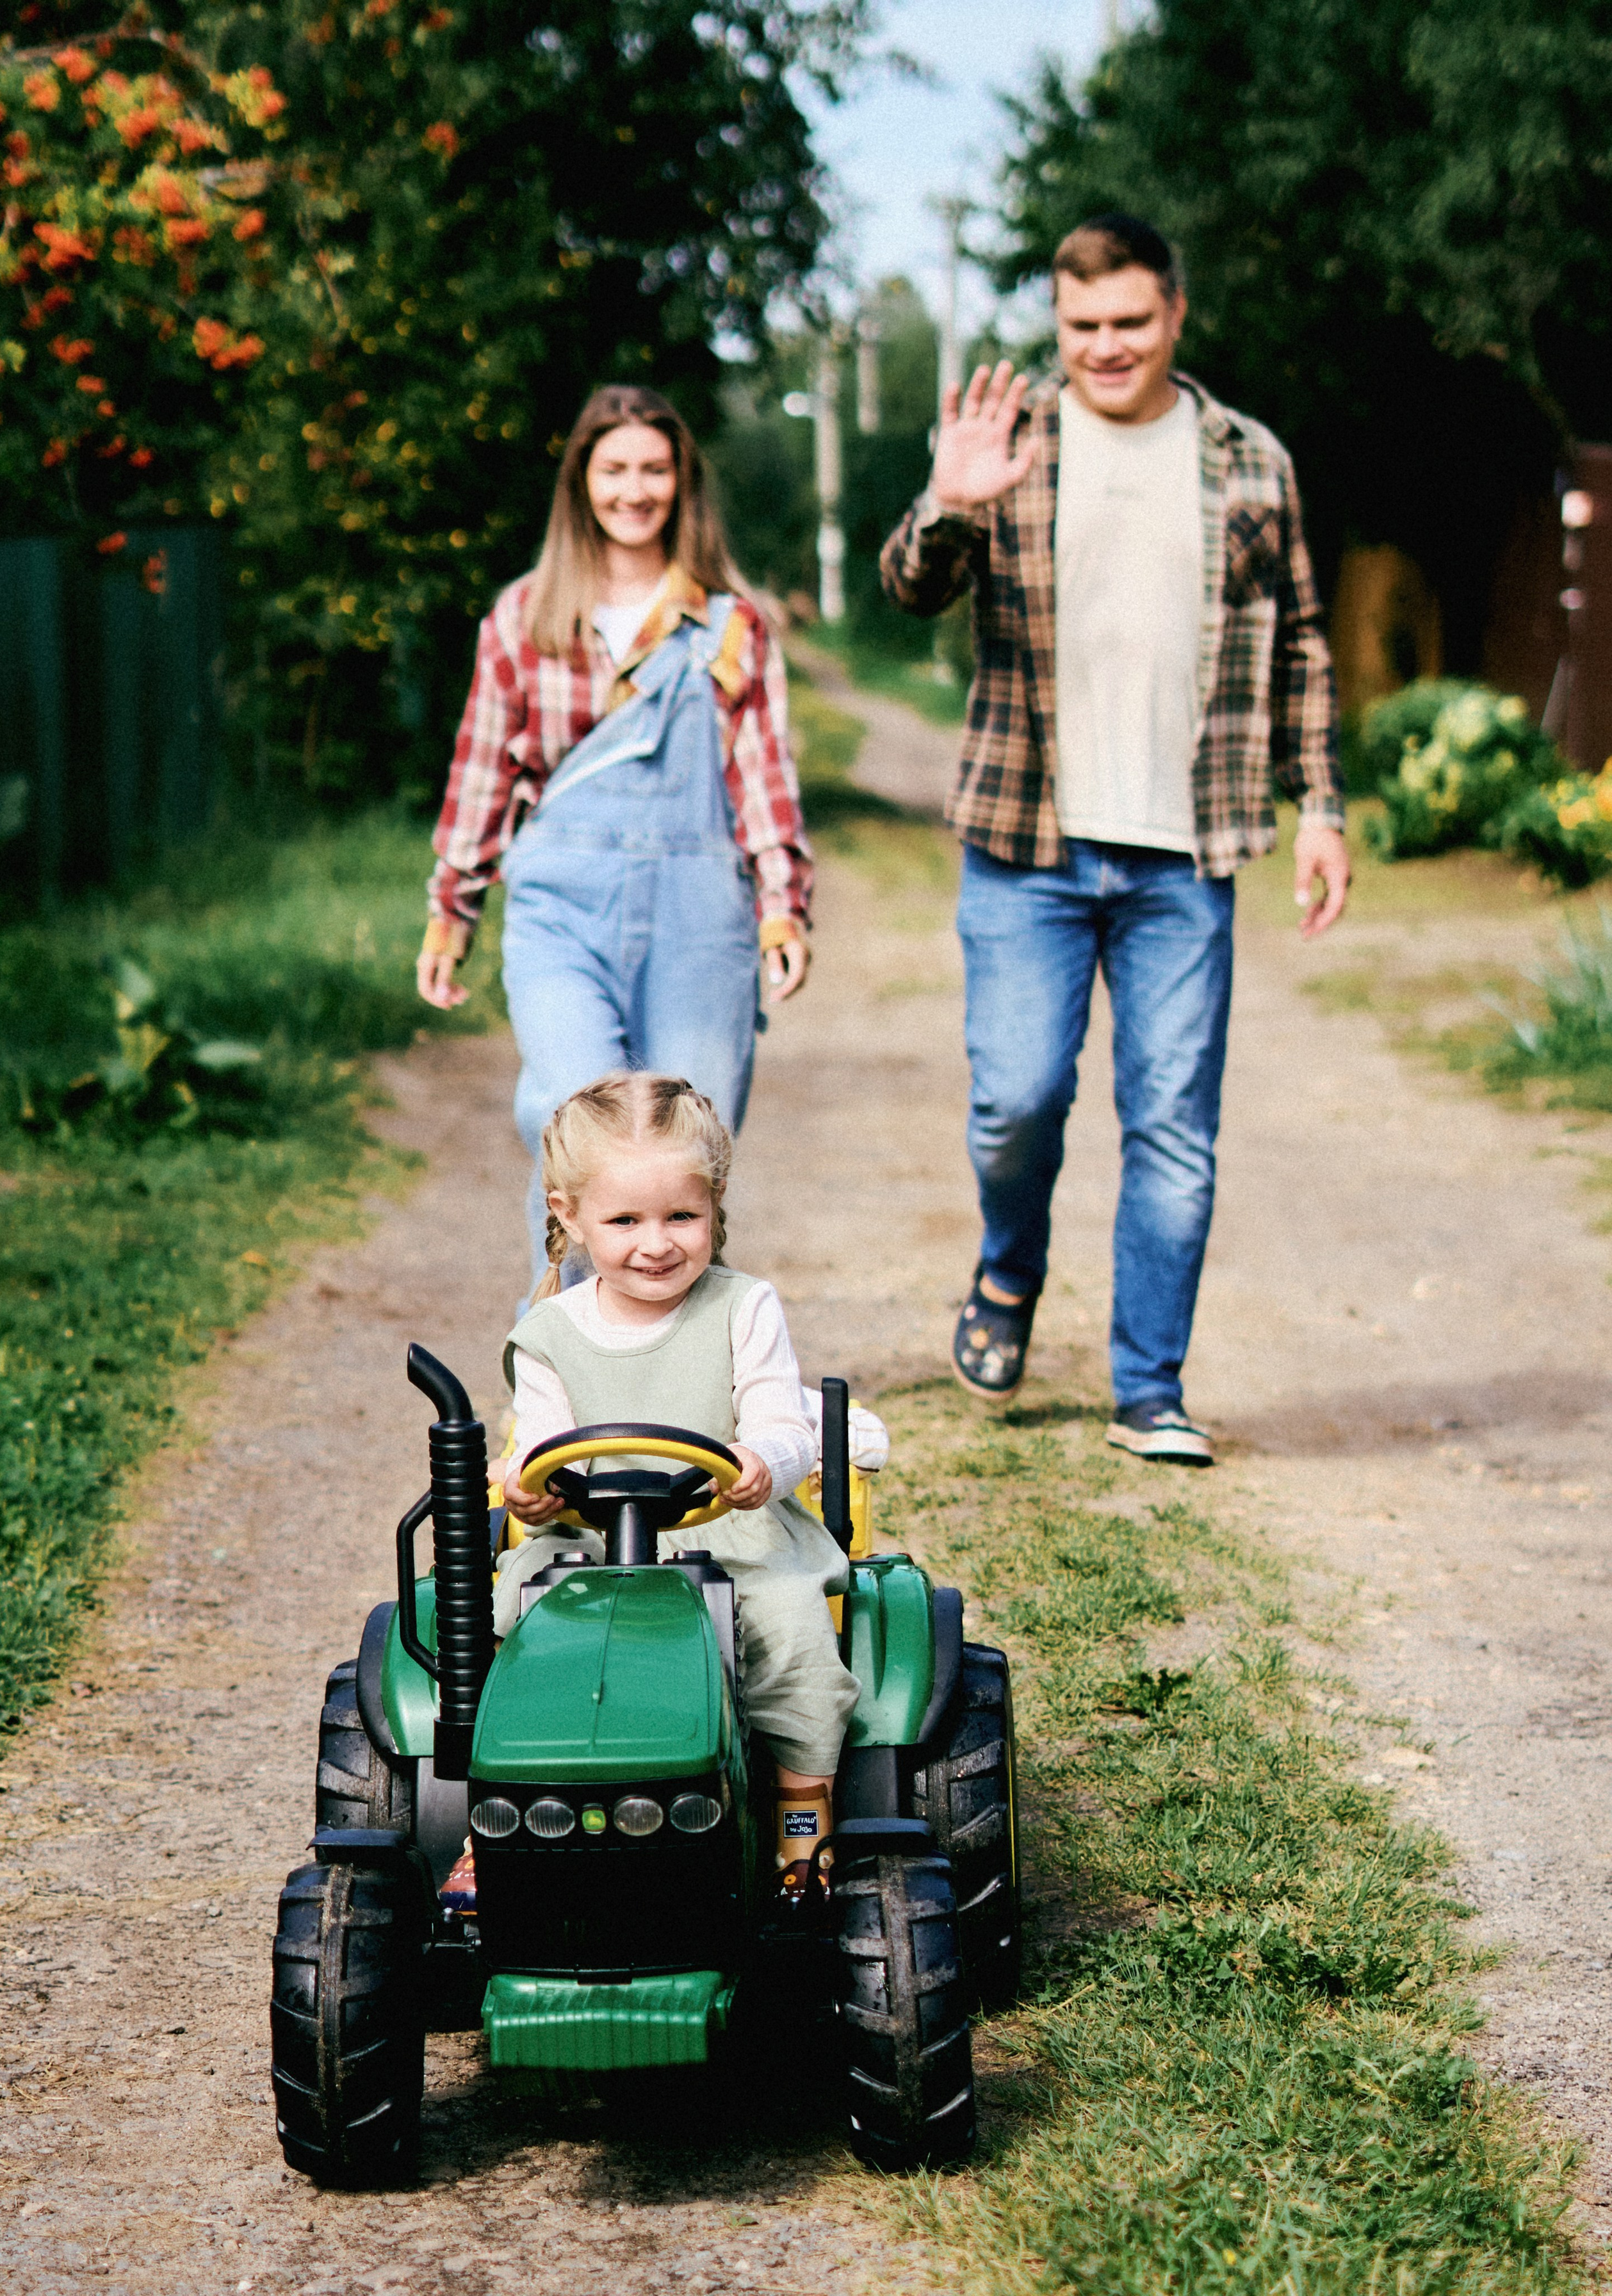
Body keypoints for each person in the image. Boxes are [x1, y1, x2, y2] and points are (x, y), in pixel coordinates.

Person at [880, 213, 1349, 1466]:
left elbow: (1301, 640)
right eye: (1079, 326)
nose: (1103, 347)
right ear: (1056, 323)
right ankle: (1005, 1271)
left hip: (1184, 852)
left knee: (1172, 1126)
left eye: (1127, 322)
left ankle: (1148, 1386)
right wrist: (945, 499)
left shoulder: (1249, 462)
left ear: (1174, 316)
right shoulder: (1010, 440)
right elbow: (908, 587)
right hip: (1024, 842)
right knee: (1015, 1101)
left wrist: (1322, 808)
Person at [417, 384, 813, 1279]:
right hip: (564, 907)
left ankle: (668, 1387)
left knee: (681, 1153)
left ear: (682, 483)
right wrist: (454, 910)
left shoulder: (731, 625)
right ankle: (557, 1372)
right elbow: (486, 771)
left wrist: (783, 909)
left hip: (700, 914)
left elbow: (764, 779)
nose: (635, 490)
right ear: (581, 483)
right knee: (577, 1126)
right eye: (615, 469)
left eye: (655, 469)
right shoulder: (524, 617)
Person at [495, 1070, 866, 1904]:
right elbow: (541, 1442)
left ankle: (802, 1820)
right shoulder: (549, 1334)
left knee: (796, 1635)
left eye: (681, 1217)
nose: (655, 1243)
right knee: (507, 1630)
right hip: (587, 1546)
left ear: (717, 1205)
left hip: (733, 1533)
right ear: (569, 1216)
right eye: (624, 1219)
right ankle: (507, 1814)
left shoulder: (743, 1307)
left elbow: (780, 1416)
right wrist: (527, 1488)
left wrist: (764, 1458)